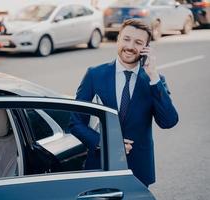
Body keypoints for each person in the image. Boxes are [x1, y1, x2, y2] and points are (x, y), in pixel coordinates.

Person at [69, 19, 179, 187]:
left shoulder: (154, 80)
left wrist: (153, 76)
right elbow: (76, 123)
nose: (130, 46)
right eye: (126, 39)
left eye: (138, 42)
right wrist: (105, 143)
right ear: (118, 38)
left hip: (138, 170)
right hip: (101, 163)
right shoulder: (94, 75)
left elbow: (169, 121)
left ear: (146, 48)